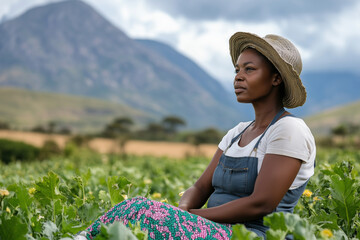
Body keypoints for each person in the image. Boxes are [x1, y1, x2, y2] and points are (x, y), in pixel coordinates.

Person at [75, 32, 316, 240]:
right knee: (135, 209)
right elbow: (201, 187)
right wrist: (182, 211)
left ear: (276, 79)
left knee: (141, 210)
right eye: (237, 70)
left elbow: (262, 203)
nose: (238, 76)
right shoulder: (237, 132)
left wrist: (192, 217)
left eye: (249, 69)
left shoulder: (288, 130)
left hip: (252, 235)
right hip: (211, 229)